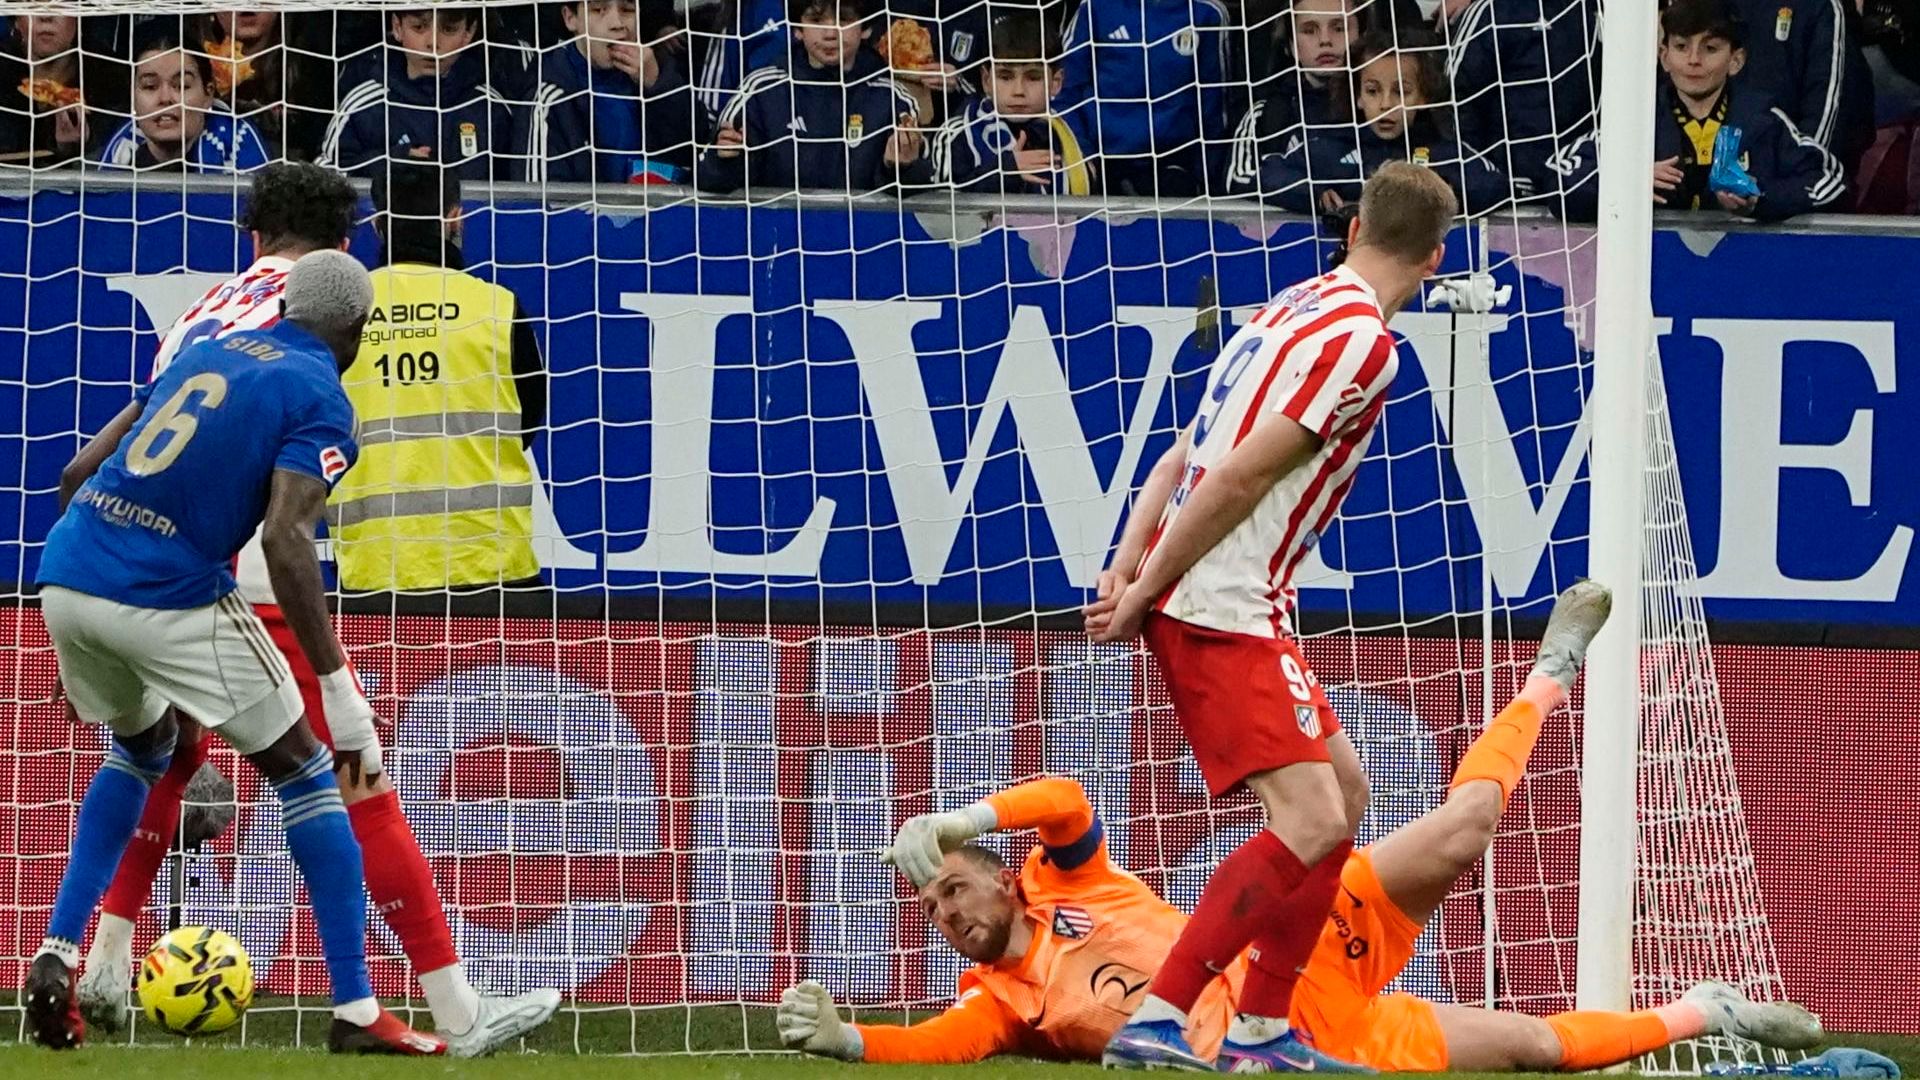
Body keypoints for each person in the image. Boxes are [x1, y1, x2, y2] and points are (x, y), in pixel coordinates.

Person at [775, 583, 1828, 1071]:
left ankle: (1551, 672)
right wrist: (852, 1043)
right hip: (1295, 1048)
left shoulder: (1073, 883)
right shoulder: (1005, 1006)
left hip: (1298, 948)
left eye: (954, 884)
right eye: (929, 905)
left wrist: (964, 812)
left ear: (1006, 879)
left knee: (1463, 829)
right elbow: (938, 1046)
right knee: (1532, 1049)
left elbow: (1067, 801)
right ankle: (1708, 1009)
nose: (945, 910)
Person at [73, 163, 561, 1058]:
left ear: (255, 237)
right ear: (344, 250)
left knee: (167, 756)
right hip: (254, 566)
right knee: (350, 776)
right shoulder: (317, 319)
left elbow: (141, 428)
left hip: (143, 560)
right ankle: (453, 1008)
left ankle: (102, 958)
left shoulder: (205, 308)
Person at [1080, 161, 1456, 1072]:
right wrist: (1146, 587)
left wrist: (1129, 563)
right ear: (1436, 259)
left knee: (1347, 800)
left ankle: (1261, 1029)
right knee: (1312, 821)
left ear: (1355, 222)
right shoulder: (1367, 343)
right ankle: (1162, 1013)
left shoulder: (1287, 306)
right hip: (1221, 601)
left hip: (1229, 597)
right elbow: (1241, 474)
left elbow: (1184, 451)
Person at [24, 252, 443, 1054]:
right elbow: (286, 540)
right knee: (307, 768)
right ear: (358, 329)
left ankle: (59, 950)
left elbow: (77, 471)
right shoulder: (321, 396)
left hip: (68, 572)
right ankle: (356, 1007)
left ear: (282, 300)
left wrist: (81, 626)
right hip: (164, 589)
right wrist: (337, 682)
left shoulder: (206, 348)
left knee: (141, 749)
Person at [328, 162, 545, 592]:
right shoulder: (497, 306)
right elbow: (528, 422)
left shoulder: (342, 312)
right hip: (490, 563)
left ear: (378, 225)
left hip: (376, 568)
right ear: (454, 217)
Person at [1233, 30, 1510, 214]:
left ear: (1424, 97)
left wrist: (1440, 191)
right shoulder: (1325, 148)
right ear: (1358, 97)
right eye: (1373, 91)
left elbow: (1496, 185)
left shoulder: (1446, 152)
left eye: (1401, 91)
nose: (1386, 104)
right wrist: (1314, 194)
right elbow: (1267, 174)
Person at [694, 0, 930, 195]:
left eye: (844, 20)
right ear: (797, 29)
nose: (829, 33)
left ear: (866, 28)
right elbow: (708, 179)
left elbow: (924, 194)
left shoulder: (894, 101)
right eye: (816, 21)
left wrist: (900, 168)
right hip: (777, 242)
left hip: (864, 244)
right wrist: (725, 161)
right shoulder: (760, 91)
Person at [1652, 0, 1845, 219]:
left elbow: (1829, 181)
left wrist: (1759, 198)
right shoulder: (1634, 120)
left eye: (1710, 48)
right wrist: (1627, 185)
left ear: (1736, 61)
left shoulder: (1765, 121)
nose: (1694, 60)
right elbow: (1604, 177)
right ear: (1664, 56)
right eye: (1681, 47)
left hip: (1746, 252)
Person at [319, 6, 522, 183]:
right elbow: (325, 175)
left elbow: (519, 190)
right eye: (419, 27)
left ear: (469, 33)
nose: (433, 42)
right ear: (397, 28)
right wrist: (390, 162)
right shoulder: (363, 105)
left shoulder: (489, 107)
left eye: (449, 30)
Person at [1056, 0, 1233, 196]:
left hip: (1175, 166)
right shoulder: (1094, 7)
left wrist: (1206, 177)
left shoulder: (1207, 12)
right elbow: (1063, 91)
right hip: (1101, 161)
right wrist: (1082, 155)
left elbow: (1216, 106)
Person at [1441, 0, 1597, 216]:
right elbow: (1454, 101)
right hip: (1500, 194)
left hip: (1574, 190)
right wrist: (1485, 175)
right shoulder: (1491, 12)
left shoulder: (1595, 13)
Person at [930, 11, 1098, 196]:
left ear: (1056, 83)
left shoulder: (1070, 139)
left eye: (1033, 77)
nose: (1018, 90)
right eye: (1005, 77)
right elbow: (940, 213)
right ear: (986, 80)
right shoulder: (956, 134)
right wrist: (1006, 172)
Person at [529, 0, 697, 184]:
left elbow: (698, 155)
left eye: (627, 9)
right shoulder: (549, 99)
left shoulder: (660, 73)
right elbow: (542, 204)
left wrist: (659, 87)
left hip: (661, 211)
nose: (617, 24)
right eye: (599, 10)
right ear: (570, 18)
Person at [97, 23, 270, 174]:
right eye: (150, 86)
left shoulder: (242, 150)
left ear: (208, 94)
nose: (165, 98)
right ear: (132, 96)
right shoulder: (115, 155)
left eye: (181, 86)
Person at [1225, 0, 1355, 198]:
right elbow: (1239, 177)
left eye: (1339, 28)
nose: (1325, 40)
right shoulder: (1267, 115)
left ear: (1363, 35)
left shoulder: (1389, 109)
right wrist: (1312, 193)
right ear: (1290, 45)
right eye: (1310, 30)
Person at [0, 15, 92, 169]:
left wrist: (68, 150)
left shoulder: (111, 76)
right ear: (15, 19)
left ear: (79, 17)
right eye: (32, 4)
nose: (45, 16)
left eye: (59, 3)